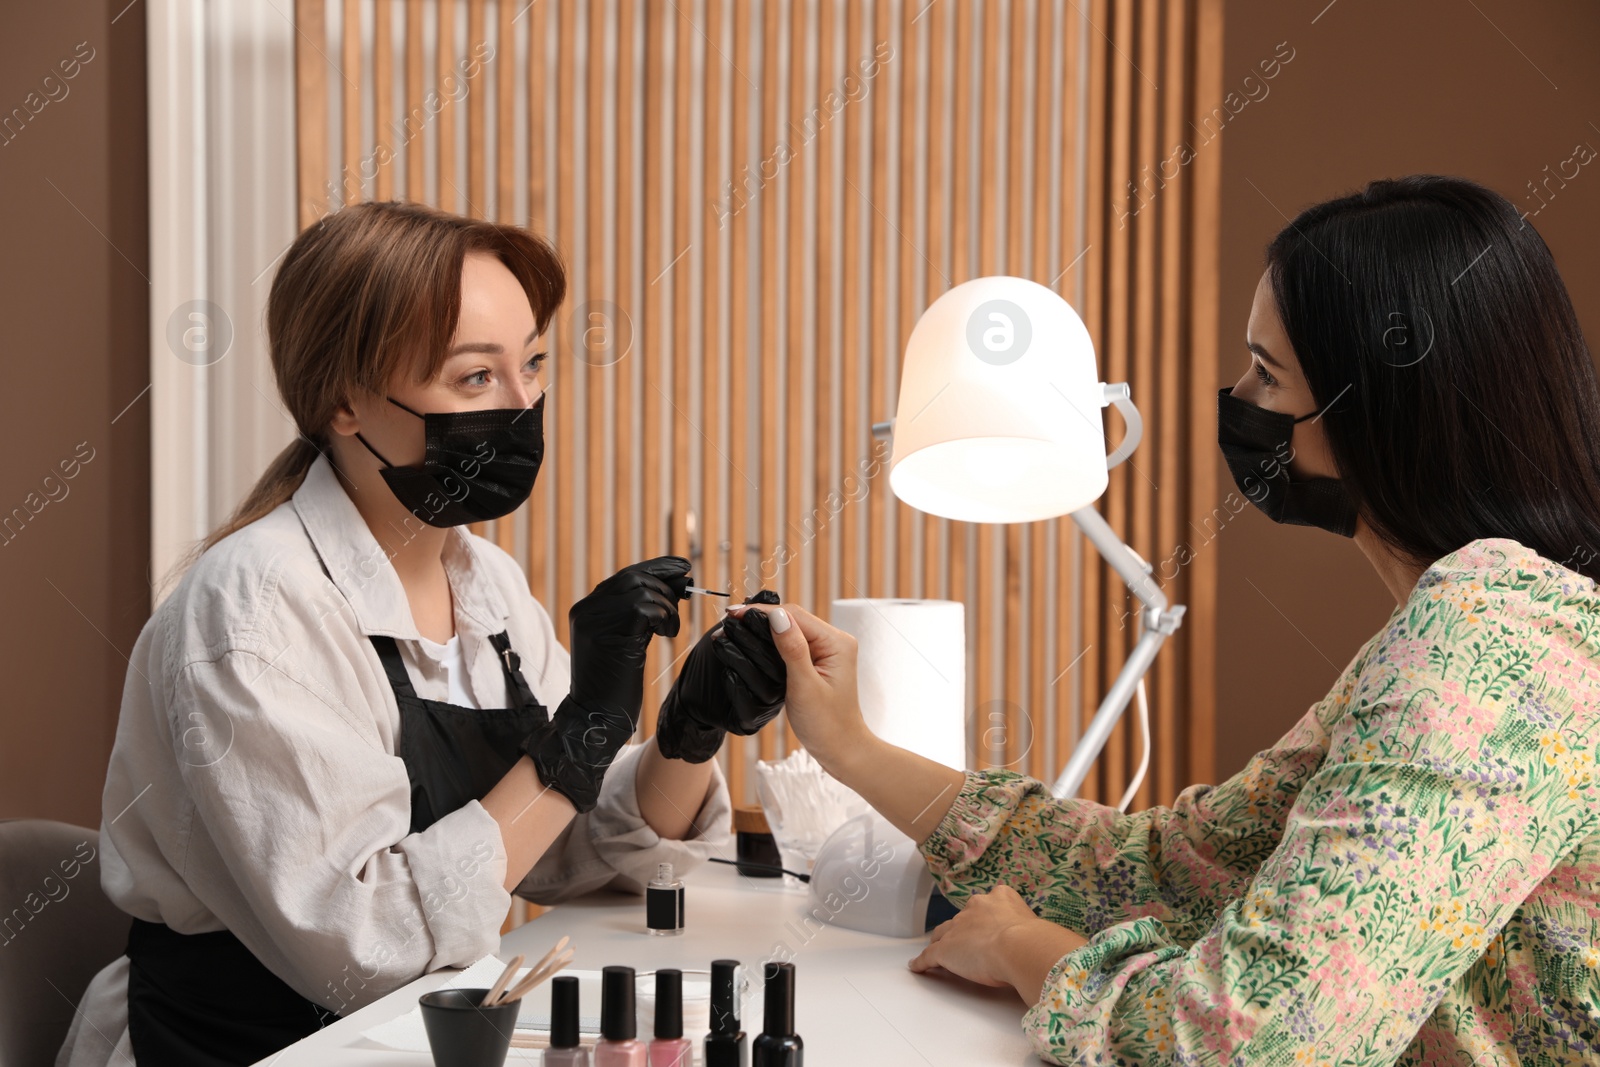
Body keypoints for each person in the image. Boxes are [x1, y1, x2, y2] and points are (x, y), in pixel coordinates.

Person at [742, 176, 1600, 1065]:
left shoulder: (1496, 635)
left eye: (1268, 373)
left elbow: (1250, 1041)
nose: (1237, 394)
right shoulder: (1492, 618)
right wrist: (852, 746)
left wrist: (1023, 948)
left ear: (1377, 408)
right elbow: (1169, 868)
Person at [57, 200, 785, 1067]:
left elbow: (557, 849)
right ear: (345, 402)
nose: (524, 405)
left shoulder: (484, 584)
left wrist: (685, 733)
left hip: (413, 1035)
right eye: (476, 377)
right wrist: (576, 738)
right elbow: (362, 944)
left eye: (534, 364)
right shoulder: (255, 612)